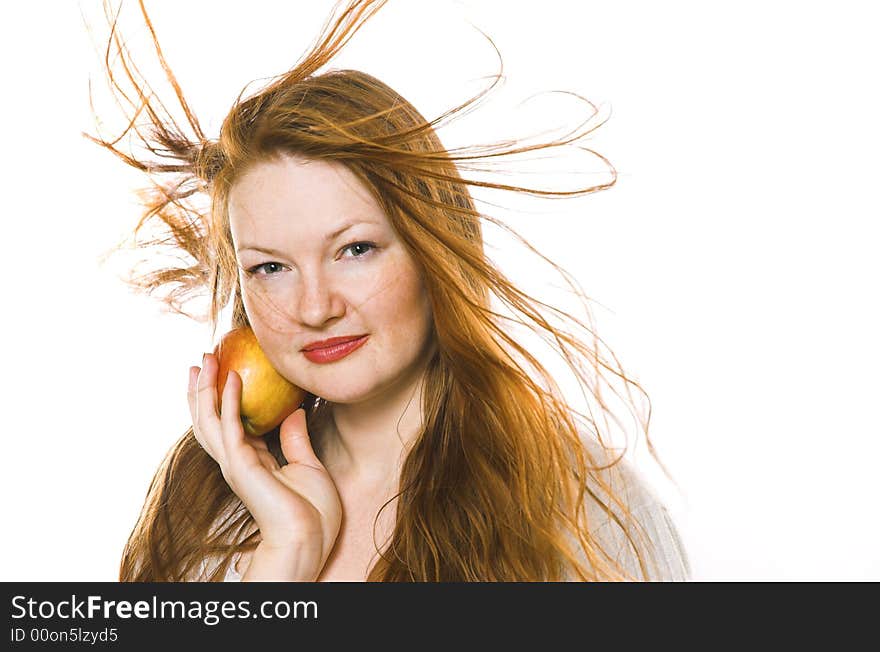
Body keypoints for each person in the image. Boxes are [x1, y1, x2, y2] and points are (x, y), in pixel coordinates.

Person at [87, 0, 691, 581]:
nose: (315, 308)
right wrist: (283, 563)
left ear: (435, 251)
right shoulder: (204, 505)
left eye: (355, 250)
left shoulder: (586, 511)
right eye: (270, 268)